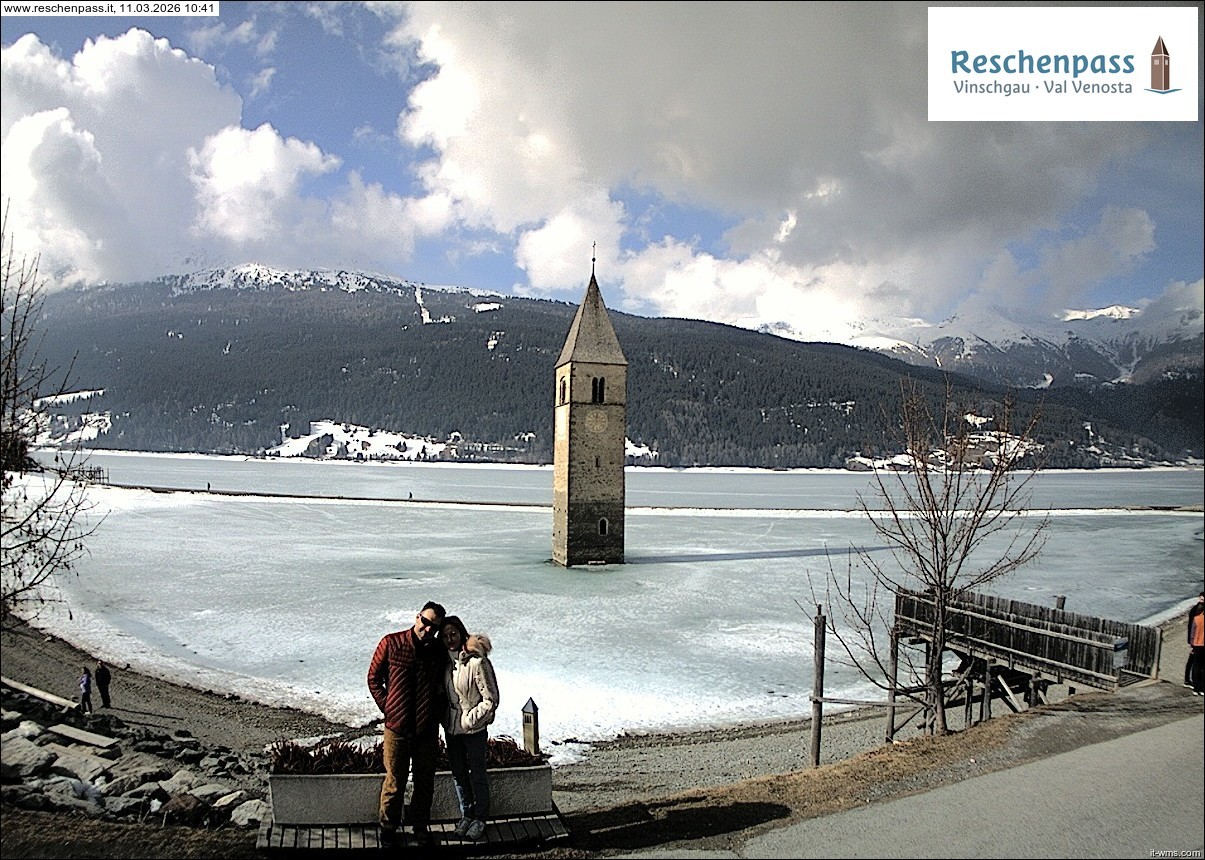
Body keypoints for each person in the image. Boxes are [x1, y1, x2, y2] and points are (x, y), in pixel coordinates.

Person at [367, 601, 449, 848]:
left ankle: (420, 827)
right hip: (397, 728)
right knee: (395, 781)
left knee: (425, 782)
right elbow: (373, 678)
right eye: (425, 622)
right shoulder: (391, 643)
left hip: (426, 728)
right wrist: (389, 708)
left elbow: (451, 672)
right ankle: (388, 828)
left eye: (434, 627)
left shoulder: (437, 650)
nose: (427, 629)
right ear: (417, 617)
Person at [440, 616, 499, 842]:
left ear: (462, 633)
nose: (449, 639)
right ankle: (467, 815)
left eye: (453, 634)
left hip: (473, 729)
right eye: (445, 635)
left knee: (478, 774)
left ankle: (480, 818)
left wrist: (469, 720)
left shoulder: (477, 662)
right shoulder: (445, 662)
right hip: (452, 728)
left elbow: (491, 699)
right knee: (459, 774)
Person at [1188, 592, 1205, 696]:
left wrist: (1191, 643)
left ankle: (1195, 687)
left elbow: (1192, 632)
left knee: (1196, 666)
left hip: (1196, 644)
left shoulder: (1196, 619)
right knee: (1203, 667)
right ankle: (1202, 688)